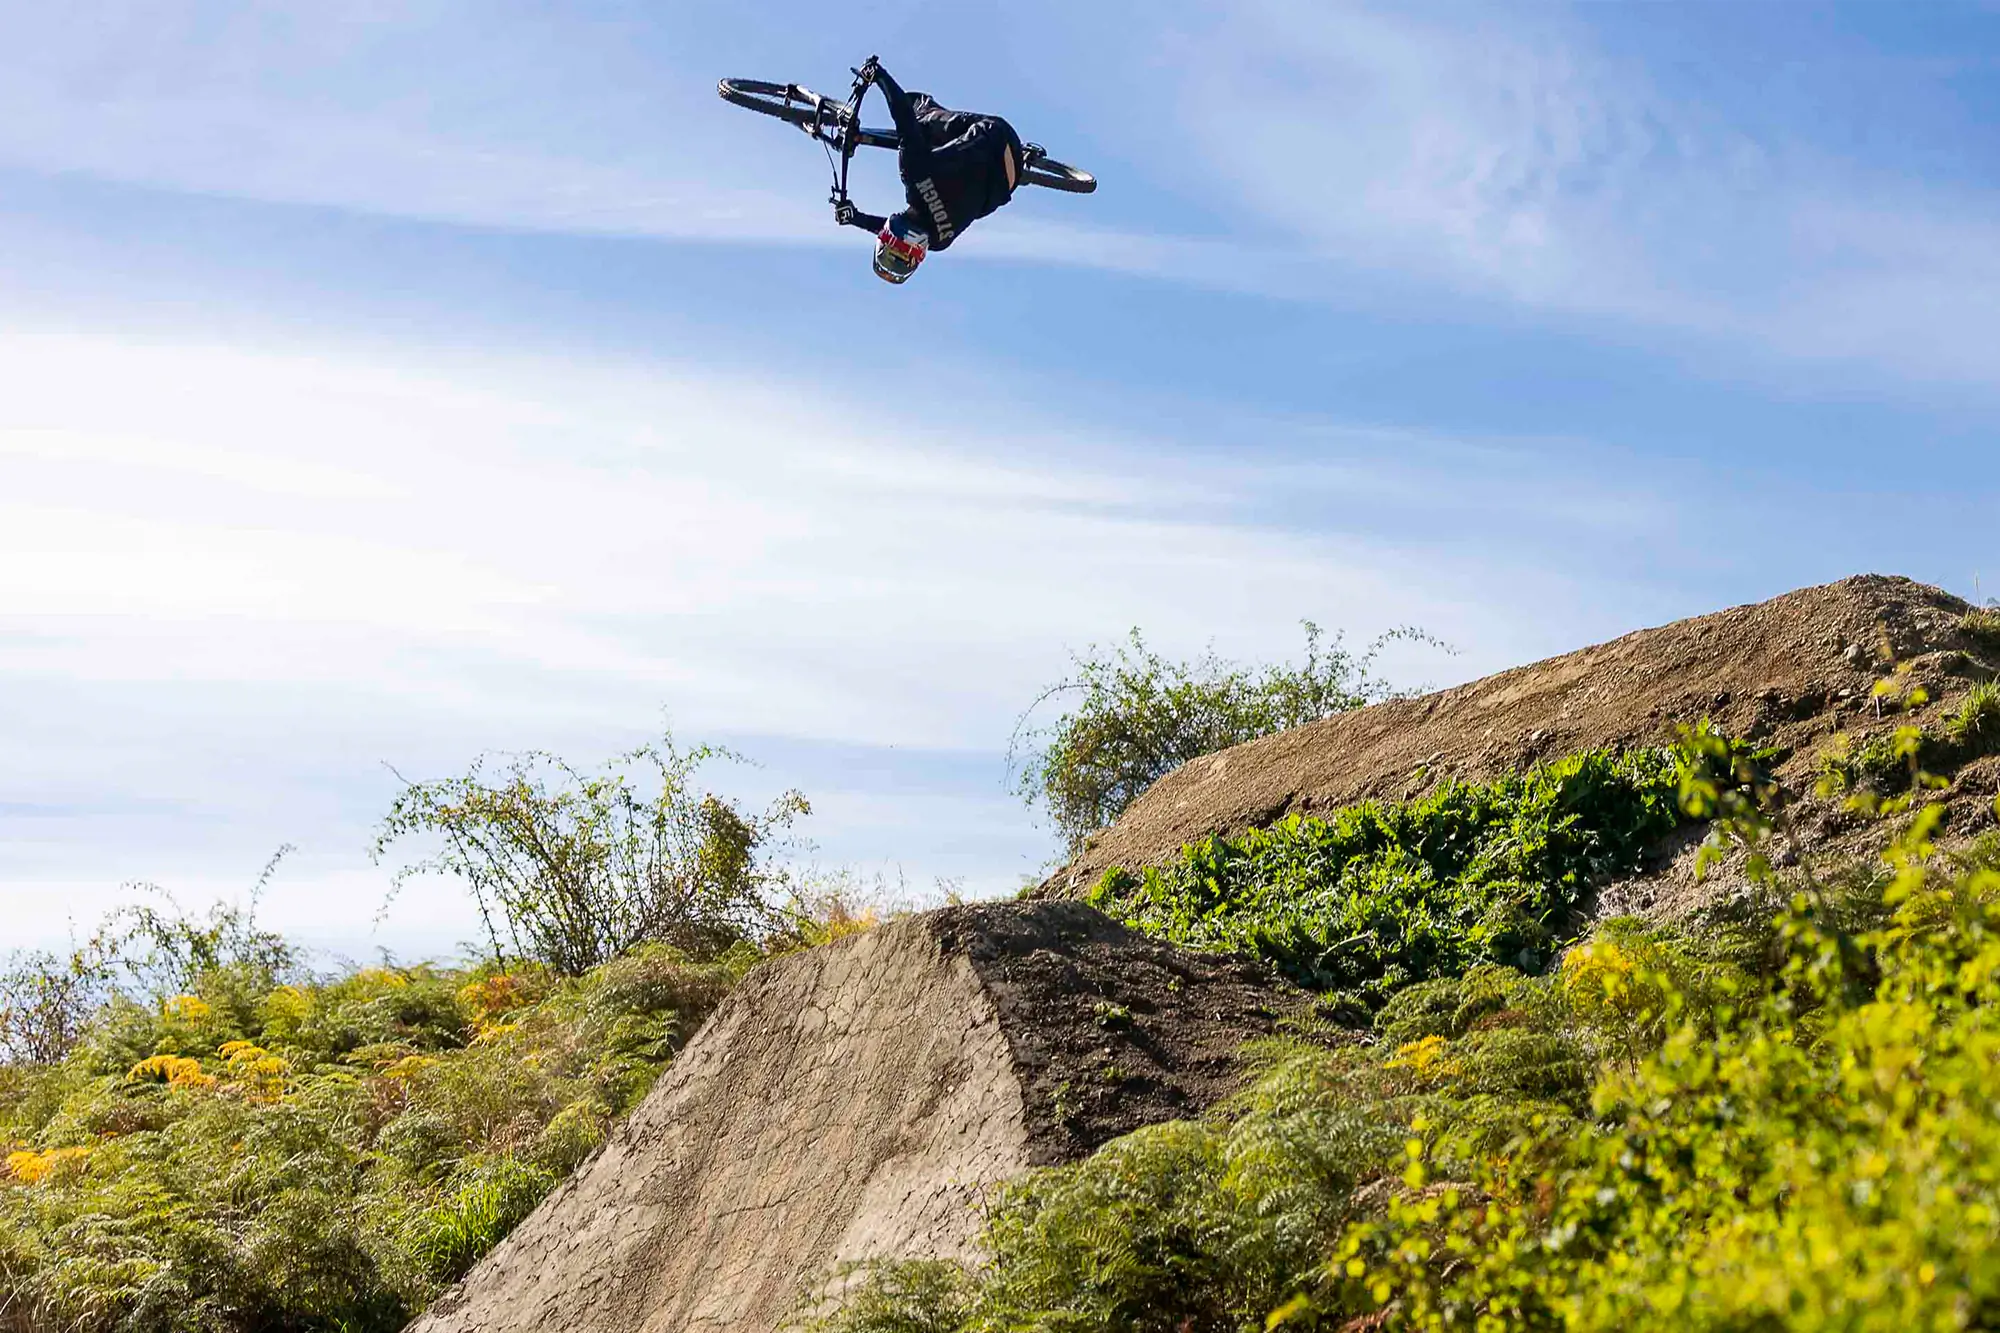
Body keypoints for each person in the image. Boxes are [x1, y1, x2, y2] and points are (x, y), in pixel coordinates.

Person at [833, 57, 1024, 284]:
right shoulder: (915, 174)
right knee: (920, 121)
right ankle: (927, 124)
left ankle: (941, 148)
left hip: (1011, 176)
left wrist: (857, 219)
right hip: (998, 136)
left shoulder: (939, 241)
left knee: (948, 167)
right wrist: (879, 75)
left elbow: (903, 230)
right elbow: (903, 116)